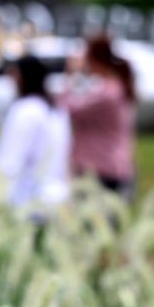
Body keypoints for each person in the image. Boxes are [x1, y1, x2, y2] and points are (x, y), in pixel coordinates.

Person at [58, 34, 136, 200]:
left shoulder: (107, 94)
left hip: (100, 168)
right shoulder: (113, 87)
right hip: (108, 166)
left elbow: (68, 108)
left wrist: (70, 75)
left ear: (93, 59)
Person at [0, 55, 71, 212]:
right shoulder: (57, 111)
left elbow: (8, 160)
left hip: (28, 201)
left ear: (23, 77)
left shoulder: (25, 110)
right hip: (58, 199)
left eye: (14, 75)